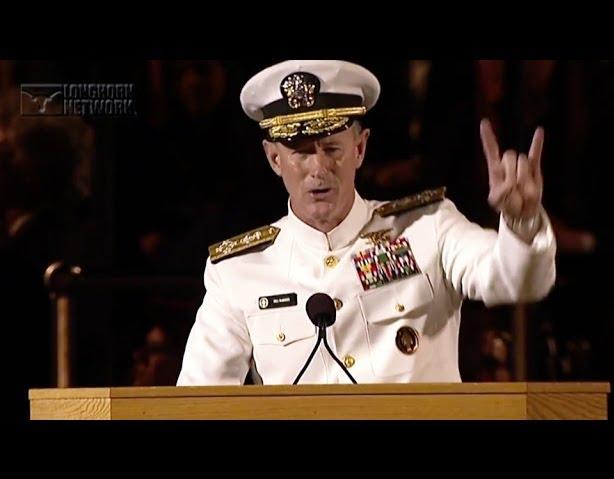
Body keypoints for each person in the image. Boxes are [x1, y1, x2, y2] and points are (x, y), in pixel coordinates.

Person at [177, 60, 556, 386]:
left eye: (332, 149)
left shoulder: (428, 228)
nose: (318, 169)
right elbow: (197, 399)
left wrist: (521, 222)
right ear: (274, 159)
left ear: (359, 149)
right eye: (301, 153)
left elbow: (515, 279)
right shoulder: (239, 271)